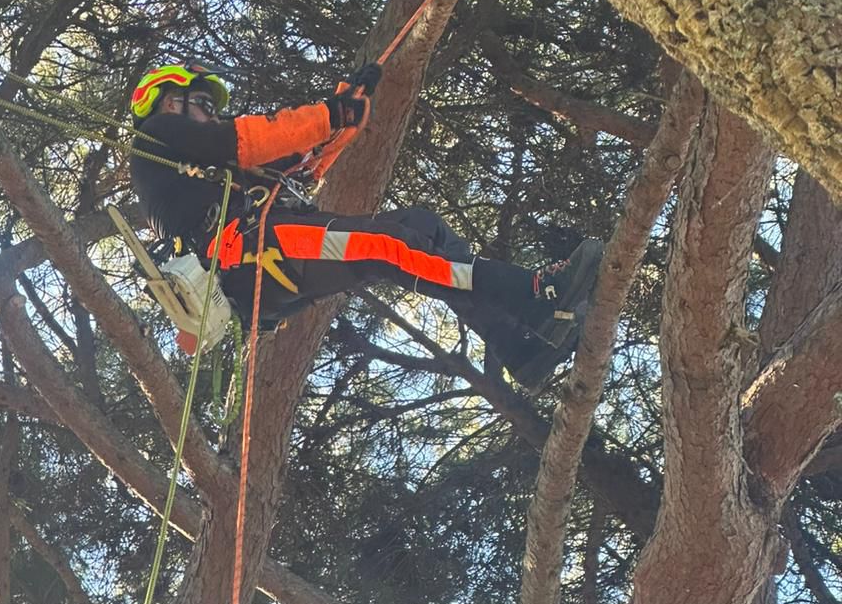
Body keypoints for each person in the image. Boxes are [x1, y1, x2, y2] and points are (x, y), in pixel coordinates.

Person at [128, 61, 603, 392]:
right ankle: (534, 294)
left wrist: (341, 119)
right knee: (389, 247)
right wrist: (326, 117)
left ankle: (518, 347)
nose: (213, 113)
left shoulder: (199, 165)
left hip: (263, 253)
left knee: (421, 229)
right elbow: (248, 140)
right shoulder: (159, 136)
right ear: (170, 104)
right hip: (246, 254)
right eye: (203, 104)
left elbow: (296, 167)